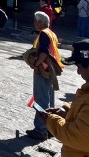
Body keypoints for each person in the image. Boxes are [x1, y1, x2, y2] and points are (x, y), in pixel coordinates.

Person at [25, 11, 64, 140]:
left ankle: (40, 129)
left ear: (41, 22)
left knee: (41, 100)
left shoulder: (43, 34)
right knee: (50, 99)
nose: (34, 23)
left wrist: (36, 64)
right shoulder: (51, 33)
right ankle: (50, 128)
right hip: (50, 71)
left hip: (43, 70)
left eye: (36, 21)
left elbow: (44, 53)